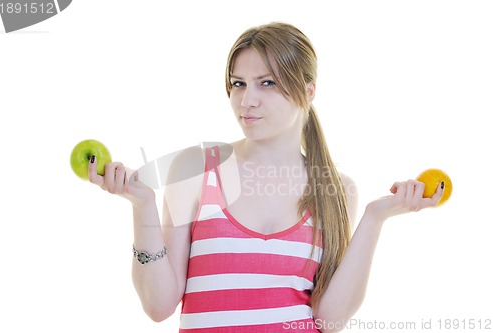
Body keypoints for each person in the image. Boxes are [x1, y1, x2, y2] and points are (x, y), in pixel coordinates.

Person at [87, 22, 444, 332]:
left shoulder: (336, 188)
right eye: (239, 83)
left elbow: (330, 320)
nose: (247, 100)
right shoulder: (194, 169)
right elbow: (158, 306)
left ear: (307, 92)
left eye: (267, 83)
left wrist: (375, 218)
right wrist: (142, 206)